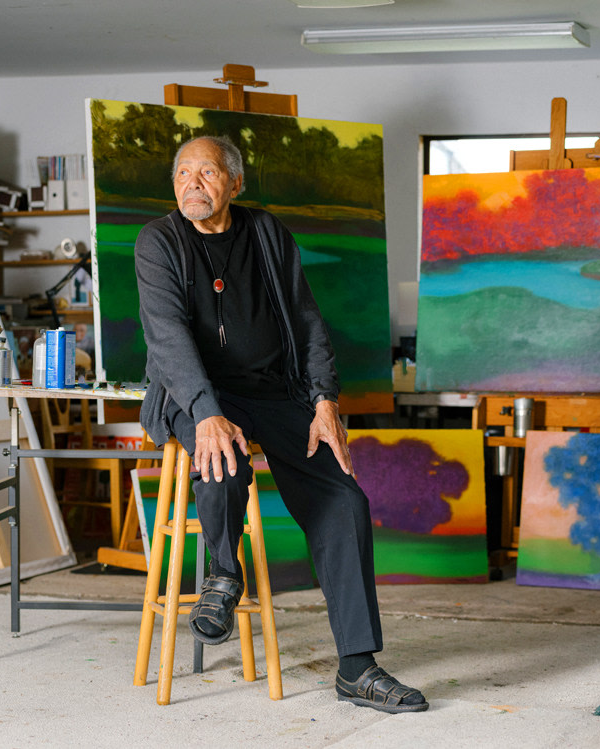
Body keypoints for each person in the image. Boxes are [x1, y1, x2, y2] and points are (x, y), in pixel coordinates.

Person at [134, 135, 428, 714]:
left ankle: (357, 668)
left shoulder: (266, 232)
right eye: (183, 172)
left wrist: (323, 399)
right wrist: (205, 411)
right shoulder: (159, 241)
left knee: (345, 501)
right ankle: (222, 573)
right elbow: (165, 334)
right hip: (198, 392)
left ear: (235, 183)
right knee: (221, 460)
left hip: (277, 391)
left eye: (208, 172)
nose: (193, 183)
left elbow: (307, 319)